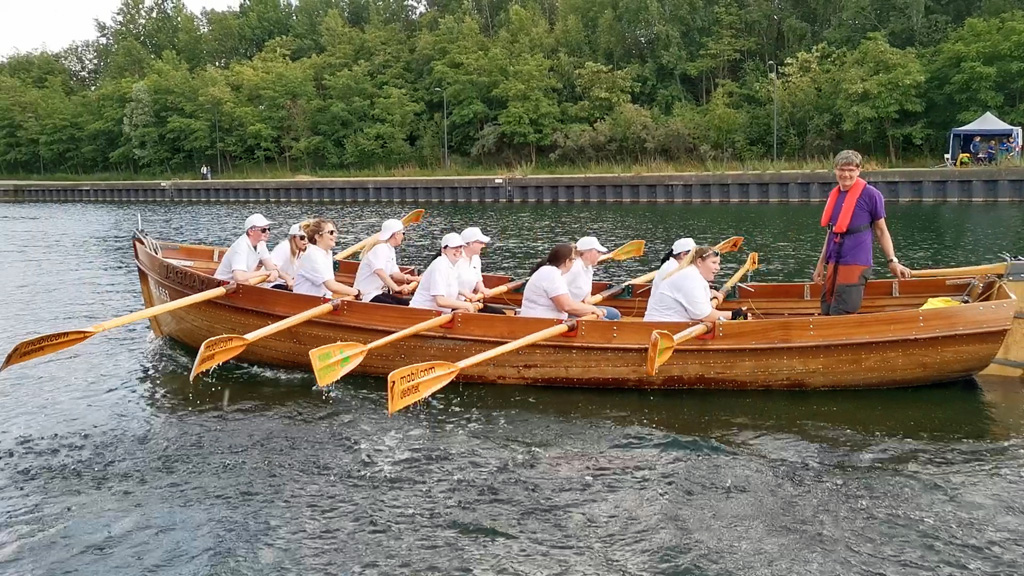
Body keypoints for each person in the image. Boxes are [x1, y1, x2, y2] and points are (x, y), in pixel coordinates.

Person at [812, 150, 912, 316]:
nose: (846, 174)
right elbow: (831, 232)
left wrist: (892, 261)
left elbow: (881, 230)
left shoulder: (871, 195)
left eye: (851, 170)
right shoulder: (834, 195)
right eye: (841, 169)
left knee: (842, 311)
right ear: (835, 170)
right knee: (826, 308)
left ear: (859, 170)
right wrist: (820, 263)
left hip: (855, 262)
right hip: (833, 262)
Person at [643, 246, 747, 322]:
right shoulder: (689, 277)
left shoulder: (692, 274)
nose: (718, 268)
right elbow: (706, 316)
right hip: (662, 327)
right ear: (699, 262)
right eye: (714, 263)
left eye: (718, 263)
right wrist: (735, 315)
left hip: (670, 325)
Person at [520, 243, 607, 320]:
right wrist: (593, 309)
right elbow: (566, 306)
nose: (574, 263)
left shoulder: (548, 271)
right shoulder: (552, 275)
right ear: (567, 261)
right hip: (542, 323)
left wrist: (591, 310)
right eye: (573, 260)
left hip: (546, 321)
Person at [354, 218, 420, 305]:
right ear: (396, 234)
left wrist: (413, 279)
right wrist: (396, 288)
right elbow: (379, 271)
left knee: (408, 304)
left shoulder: (390, 249)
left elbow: (394, 274)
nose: (403, 236)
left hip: (377, 292)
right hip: (365, 295)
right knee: (404, 308)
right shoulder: (380, 249)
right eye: (403, 233)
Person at [409, 233, 479, 314]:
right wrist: (466, 305)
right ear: (443, 250)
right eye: (454, 247)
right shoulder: (439, 265)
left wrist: (465, 293)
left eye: (460, 247)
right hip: (420, 313)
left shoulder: (451, 264)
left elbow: (449, 285)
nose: (458, 250)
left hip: (436, 314)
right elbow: (440, 301)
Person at [293, 219, 360, 299]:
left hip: (321, 298)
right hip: (306, 301)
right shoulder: (312, 255)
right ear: (318, 237)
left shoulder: (325, 253)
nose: (335, 235)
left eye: (335, 232)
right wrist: (357, 292)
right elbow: (331, 286)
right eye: (331, 232)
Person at [563, 236, 622, 320]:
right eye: (598, 252)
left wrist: (587, 304)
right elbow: (562, 302)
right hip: (567, 311)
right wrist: (589, 310)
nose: (601, 254)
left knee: (614, 314)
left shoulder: (588, 266)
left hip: (579, 306)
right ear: (588, 253)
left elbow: (587, 295)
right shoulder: (573, 268)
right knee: (608, 323)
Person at [213, 213, 281, 284]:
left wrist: (276, 272)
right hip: (222, 284)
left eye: (268, 229)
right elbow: (239, 277)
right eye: (263, 230)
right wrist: (266, 273)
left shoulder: (261, 243)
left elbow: (270, 266)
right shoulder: (240, 247)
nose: (268, 232)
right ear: (251, 231)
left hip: (240, 284)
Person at [456, 226, 505, 315]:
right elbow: (448, 284)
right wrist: (465, 295)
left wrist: (482, 289)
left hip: (469, 302)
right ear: (470, 244)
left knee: (501, 314)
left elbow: (478, 279)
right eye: (481, 243)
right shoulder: (455, 259)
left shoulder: (476, 258)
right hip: (454, 304)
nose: (483, 246)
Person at [267, 222, 307, 290]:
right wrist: (287, 278)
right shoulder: (284, 247)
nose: (306, 241)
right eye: (302, 238)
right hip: (276, 284)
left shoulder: (303, 251)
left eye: (308, 237)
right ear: (294, 237)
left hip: (291, 283)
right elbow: (273, 268)